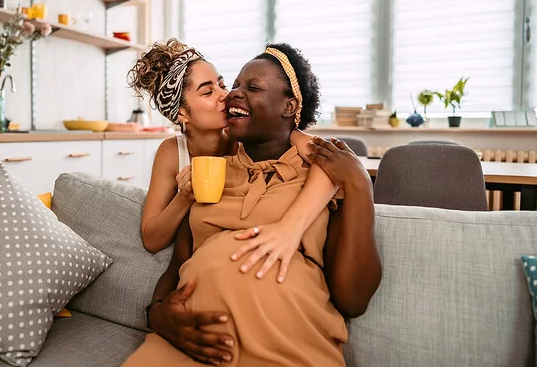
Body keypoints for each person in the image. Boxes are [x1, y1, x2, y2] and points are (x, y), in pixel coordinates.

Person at [122, 43, 382, 366]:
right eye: (233, 86)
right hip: (190, 347)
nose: (230, 95)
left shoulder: (320, 178)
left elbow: (354, 299)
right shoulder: (209, 174)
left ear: (289, 106)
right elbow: (177, 265)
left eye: (251, 87)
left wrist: (358, 181)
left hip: (284, 349)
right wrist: (157, 313)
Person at [128, 39, 348, 286]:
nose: (226, 95)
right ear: (182, 113)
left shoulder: (249, 140)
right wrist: (186, 196)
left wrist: (291, 227)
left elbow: (332, 164)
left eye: (222, 84)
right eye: (208, 91)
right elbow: (151, 239)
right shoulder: (172, 152)